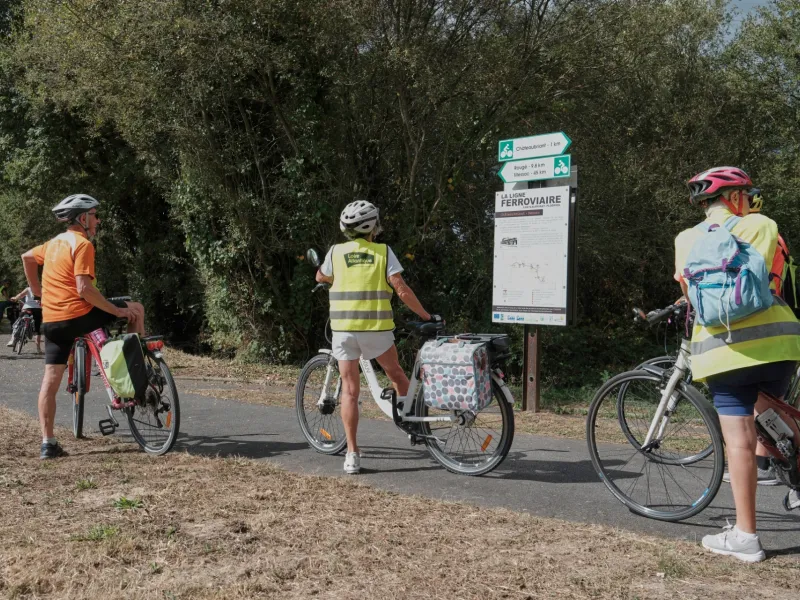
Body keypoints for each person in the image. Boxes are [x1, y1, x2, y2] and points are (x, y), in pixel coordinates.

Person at [675, 167, 800, 562]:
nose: (748, 201)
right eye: (745, 194)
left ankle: (746, 537)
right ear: (734, 197)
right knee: (776, 420)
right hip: (778, 343)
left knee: (741, 442)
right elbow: (767, 279)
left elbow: (689, 290)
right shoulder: (763, 225)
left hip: (722, 351)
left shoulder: (686, 238)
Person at [315, 200, 441, 474]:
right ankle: (412, 421)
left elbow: (320, 276)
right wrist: (425, 316)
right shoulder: (383, 252)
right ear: (374, 227)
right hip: (377, 331)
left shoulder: (336, 252)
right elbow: (401, 288)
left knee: (350, 391)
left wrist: (335, 279)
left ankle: (352, 455)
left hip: (344, 331)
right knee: (395, 373)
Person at [21, 194, 145, 459]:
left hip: (52, 321)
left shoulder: (52, 244)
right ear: (82, 218)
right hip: (79, 315)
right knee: (136, 309)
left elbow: (26, 258)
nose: (98, 220)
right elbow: (84, 289)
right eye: (94, 215)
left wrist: (37, 291)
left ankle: (48, 444)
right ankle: (138, 376)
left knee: (50, 381)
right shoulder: (82, 244)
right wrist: (117, 311)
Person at [6, 286, 43, 353]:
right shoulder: (42, 289)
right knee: (37, 329)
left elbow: (20, 295)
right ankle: (38, 348)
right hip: (37, 309)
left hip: (27, 308)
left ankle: (12, 340)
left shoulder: (29, 288)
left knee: (18, 323)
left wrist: (15, 298)